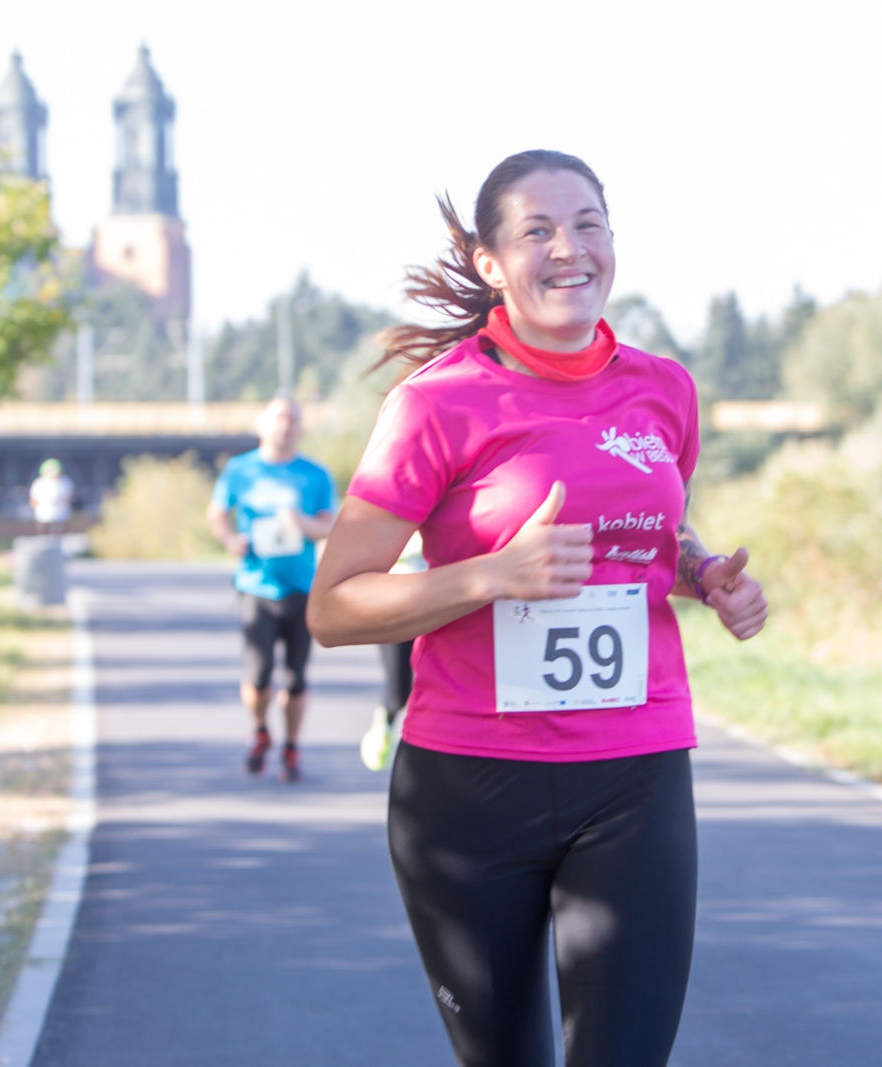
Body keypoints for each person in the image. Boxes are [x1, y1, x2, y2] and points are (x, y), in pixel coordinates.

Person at [308, 151, 767, 1066]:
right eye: (538, 230)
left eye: (589, 224)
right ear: (490, 263)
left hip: (634, 772)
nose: (571, 249)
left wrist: (702, 570)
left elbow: (639, 535)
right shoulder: (436, 405)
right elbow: (334, 607)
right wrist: (486, 576)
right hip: (469, 786)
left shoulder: (664, 389)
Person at [208, 396, 336, 783]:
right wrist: (230, 540)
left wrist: (299, 521)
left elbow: (330, 526)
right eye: (279, 419)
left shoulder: (315, 474)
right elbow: (217, 513)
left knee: (296, 678)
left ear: (300, 428)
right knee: (260, 674)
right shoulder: (240, 470)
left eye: (293, 420)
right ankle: (260, 729)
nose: (285, 426)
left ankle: (292, 745)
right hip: (255, 586)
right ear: (262, 425)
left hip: (301, 588)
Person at [359, 532, 426, 771]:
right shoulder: (392, 515)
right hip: (393, 608)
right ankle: (385, 721)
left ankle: (423, 757)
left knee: (436, 683)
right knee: (400, 692)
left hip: (435, 606)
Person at [29, 458, 74, 535]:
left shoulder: (65, 482)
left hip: (60, 513)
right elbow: (33, 499)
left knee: (57, 532)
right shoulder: (39, 483)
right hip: (43, 514)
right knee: (43, 532)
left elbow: (70, 496)